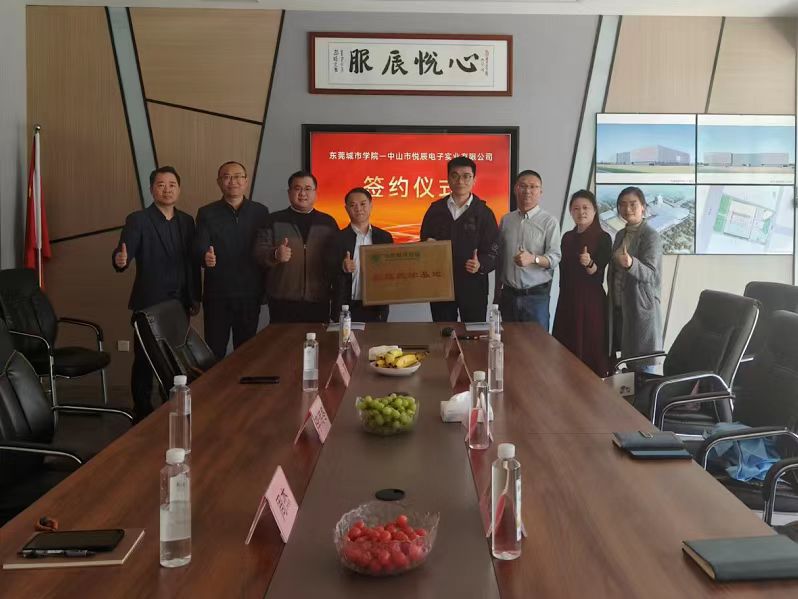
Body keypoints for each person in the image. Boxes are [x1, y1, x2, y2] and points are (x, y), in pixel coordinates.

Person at [112, 166, 200, 421]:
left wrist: (194, 296)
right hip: (149, 302)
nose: (167, 189)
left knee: (176, 357)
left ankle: (171, 406)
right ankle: (141, 410)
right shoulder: (138, 219)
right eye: (161, 185)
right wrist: (120, 260)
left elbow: (191, 263)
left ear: (179, 189)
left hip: (179, 302)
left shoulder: (187, 221)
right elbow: (123, 252)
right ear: (151, 189)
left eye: (172, 184)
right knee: (145, 358)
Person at [195, 161, 270, 360]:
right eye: (227, 177)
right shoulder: (207, 212)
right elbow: (200, 245)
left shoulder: (260, 212)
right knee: (214, 351)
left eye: (238, 176)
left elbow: (265, 250)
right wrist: (205, 257)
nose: (233, 181)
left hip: (250, 293)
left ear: (246, 181)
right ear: (219, 182)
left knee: (246, 353)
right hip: (217, 294)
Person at [419, 156, 498, 322]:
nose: (460, 181)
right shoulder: (435, 210)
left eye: (466, 176)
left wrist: (480, 264)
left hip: (473, 285)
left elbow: (493, 248)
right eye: (455, 175)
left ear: (474, 180)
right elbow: (423, 243)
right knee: (443, 331)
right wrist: (427, 246)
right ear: (448, 179)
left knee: (473, 331)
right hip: (441, 284)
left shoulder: (484, 213)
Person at [253, 170, 338, 323]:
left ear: (315, 193)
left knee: (317, 338)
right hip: (282, 299)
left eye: (308, 188)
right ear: (289, 192)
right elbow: (259, 252)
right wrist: (275, 254)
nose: (302, 193)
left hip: (318, 298)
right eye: (297, 188)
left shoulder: (328, 222)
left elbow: (337, 258)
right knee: (283, 339)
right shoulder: (273, 220)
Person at [552, 190, 612, 376]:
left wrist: (589, 263)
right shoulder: (567, 237)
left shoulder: (603, 237)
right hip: (567, 299)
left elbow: (598, 271)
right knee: (565, 350)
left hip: (591, 302)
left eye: (586, 207)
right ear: (571, 211)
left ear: (595, 210)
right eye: (576, 208)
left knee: (590, 349)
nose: (581, 212)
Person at [494, 170, 561, 329]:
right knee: (508, 340)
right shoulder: (506, 220)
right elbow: (500, 258)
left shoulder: (549, 222)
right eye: (523, 186)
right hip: (508, 295)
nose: (527, 191)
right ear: (515, 189)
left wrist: (533, 259)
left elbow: (555, 258)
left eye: (533, 187)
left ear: (540, 191)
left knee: (537, 342)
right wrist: (497, 291)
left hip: (535, 297)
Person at [607, 186, 663, 372]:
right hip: (620, 309)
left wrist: (631, 263)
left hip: (640, 309)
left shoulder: (651, 236)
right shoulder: (620, 235)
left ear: (643, 207)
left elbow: (652, 274)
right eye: (623, 204)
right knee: (627, 370)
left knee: (642, 369)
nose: (627, 209)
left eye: (633, 204)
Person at [331, 187, 394, 322]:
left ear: (371, 205)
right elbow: (326, 270)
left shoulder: (384, 237)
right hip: (346, 306)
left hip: (376, 305)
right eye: (353, 205)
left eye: (363, 204)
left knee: (377, 336)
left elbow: (392, 269)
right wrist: (342, 267)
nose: (358, 208)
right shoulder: (337, 238)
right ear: (346, 209)